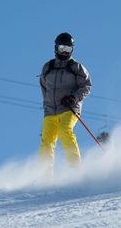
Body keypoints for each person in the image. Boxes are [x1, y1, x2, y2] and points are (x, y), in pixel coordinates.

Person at [38, 32, 92, 177]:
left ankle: (75, 170)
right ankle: (44, 176)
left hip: (69, 108)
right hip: (50, 111)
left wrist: (74, 98)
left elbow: (86, 85)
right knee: (47, 141)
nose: (64, 52)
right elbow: (44, 87)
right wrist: (47, 104)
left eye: (68, 49)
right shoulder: (48, 67)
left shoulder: (76, 67)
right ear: (56, 48)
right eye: (62, 48)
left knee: (65, 131)